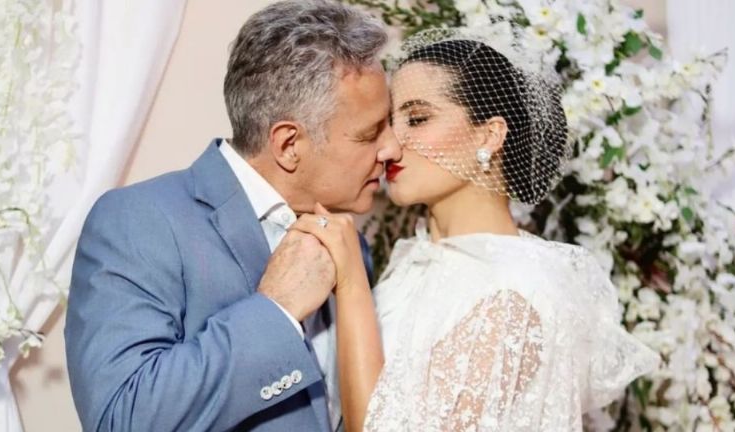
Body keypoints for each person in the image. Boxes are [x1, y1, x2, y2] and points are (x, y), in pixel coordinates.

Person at [291, 33, 661, 431]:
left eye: (417, 119)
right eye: (388, 123)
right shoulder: (415, 262)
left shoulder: (519, 291)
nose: (391, 145)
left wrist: (352, 285)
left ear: (489, 134)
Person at [64, 1, 399, 431]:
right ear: (289, 145)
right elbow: (122, 419)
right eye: (370, 134)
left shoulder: (351, 245)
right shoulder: (137, 221)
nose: (392, 148)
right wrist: (277, 308)